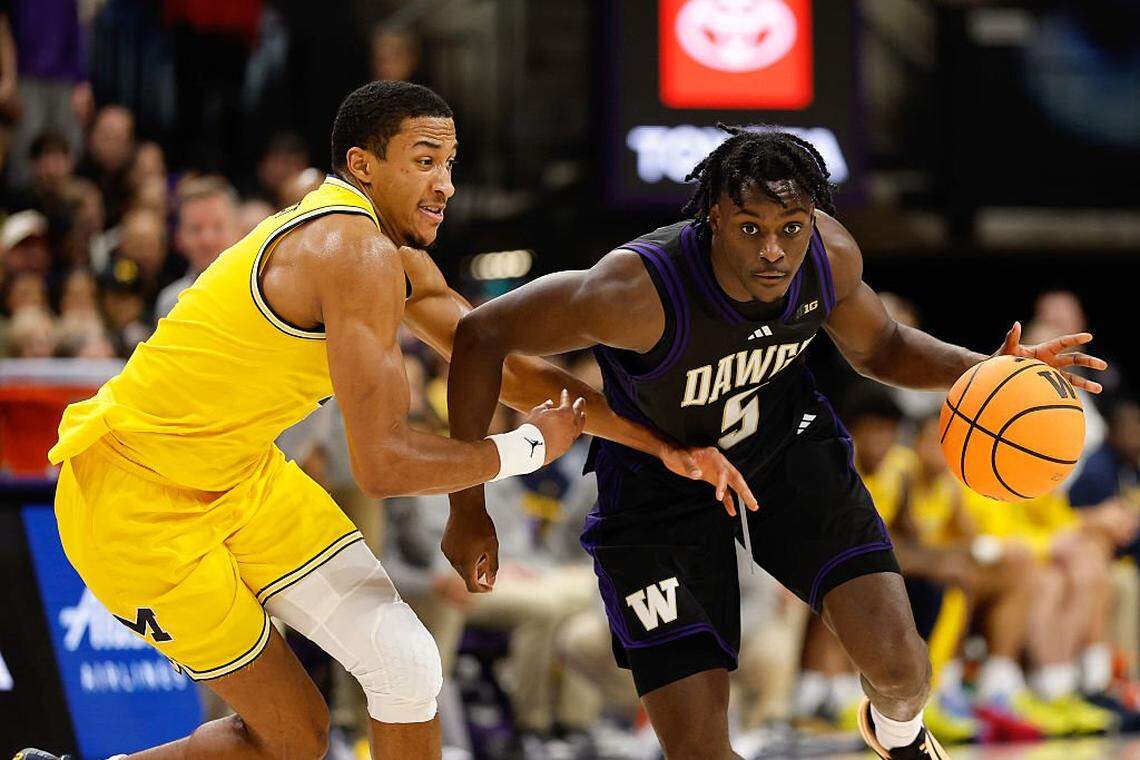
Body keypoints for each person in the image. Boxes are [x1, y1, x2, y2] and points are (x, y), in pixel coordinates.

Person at [18, 81, 748, 760]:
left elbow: (508, 368)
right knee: (294, 739)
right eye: (424, 161)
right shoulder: (349, 250)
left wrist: (663, 446)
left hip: (238, 479)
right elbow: (383, 462)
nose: (445, 185)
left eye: (451, 164)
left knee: (406, 663)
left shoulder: (393, 258)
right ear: (363, 166)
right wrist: (527, 447)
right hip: (136, 500)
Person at [443, 124, 1108, 760]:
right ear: (711, 221)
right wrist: (467, 506)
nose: (773, 250)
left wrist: (988, 368)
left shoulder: (829, 257)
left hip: (783, 450)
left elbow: (882, 346)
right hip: (654, 487)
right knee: (700, 748)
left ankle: (897, 737)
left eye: (790, 229)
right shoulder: (634, 290)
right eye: (751, 229)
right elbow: (479, 335)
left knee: (904, 671)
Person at [154, 176, 241, 320]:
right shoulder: (170, 304)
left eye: (218, 227)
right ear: (179, 237)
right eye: (196, 229)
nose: (207, 240)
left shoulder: (263, 294)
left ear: (238, 230)